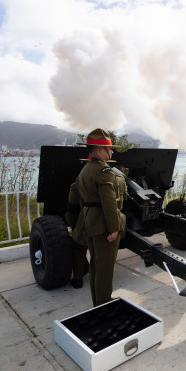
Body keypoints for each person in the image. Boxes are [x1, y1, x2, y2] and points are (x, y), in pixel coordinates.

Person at [76, 129, 127, 306]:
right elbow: (109, 203)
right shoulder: (104, 171)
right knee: (105, 267)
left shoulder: (86, 169)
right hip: (103, 226)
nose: (112, 152)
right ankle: (104, 303)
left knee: (96, 265)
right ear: (101, 150)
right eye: (110, 149)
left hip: (91, 223)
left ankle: (97, 302)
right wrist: (114, 228)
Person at [65, 181, 90, 289]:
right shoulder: (115, 181)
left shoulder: (77, 186)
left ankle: (78, 278)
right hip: (111, 222)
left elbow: (71, 212)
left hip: (86, 221)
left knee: (79, 246)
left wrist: (76, 228)